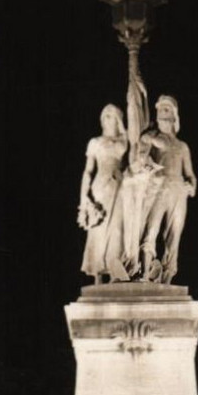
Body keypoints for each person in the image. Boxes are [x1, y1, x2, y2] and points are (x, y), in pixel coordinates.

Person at [139, 95, 197, 283]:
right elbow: (141, 159)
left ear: (174, 115)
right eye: (159, 109)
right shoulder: (150, 137)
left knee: (174, 234)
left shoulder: (182, 146)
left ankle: (168, 277)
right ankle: (145, 274)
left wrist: (192, 186)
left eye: (166, 109)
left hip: (178, 190)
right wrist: (147, 168)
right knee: (152, 228)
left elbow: (190, 174)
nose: (161, 112)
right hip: (158, 187)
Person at [77, 105, 127, 282]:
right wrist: (84, 197)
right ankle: (97, 275)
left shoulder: (124, 141)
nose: (107, 119)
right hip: (100, 187)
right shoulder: (95, 142)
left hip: (120, 188)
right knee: (98, 230)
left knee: (117, 230)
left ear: (118, 120)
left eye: (111, 116)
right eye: (105, 115)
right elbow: (88, 171)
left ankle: (115, 274)